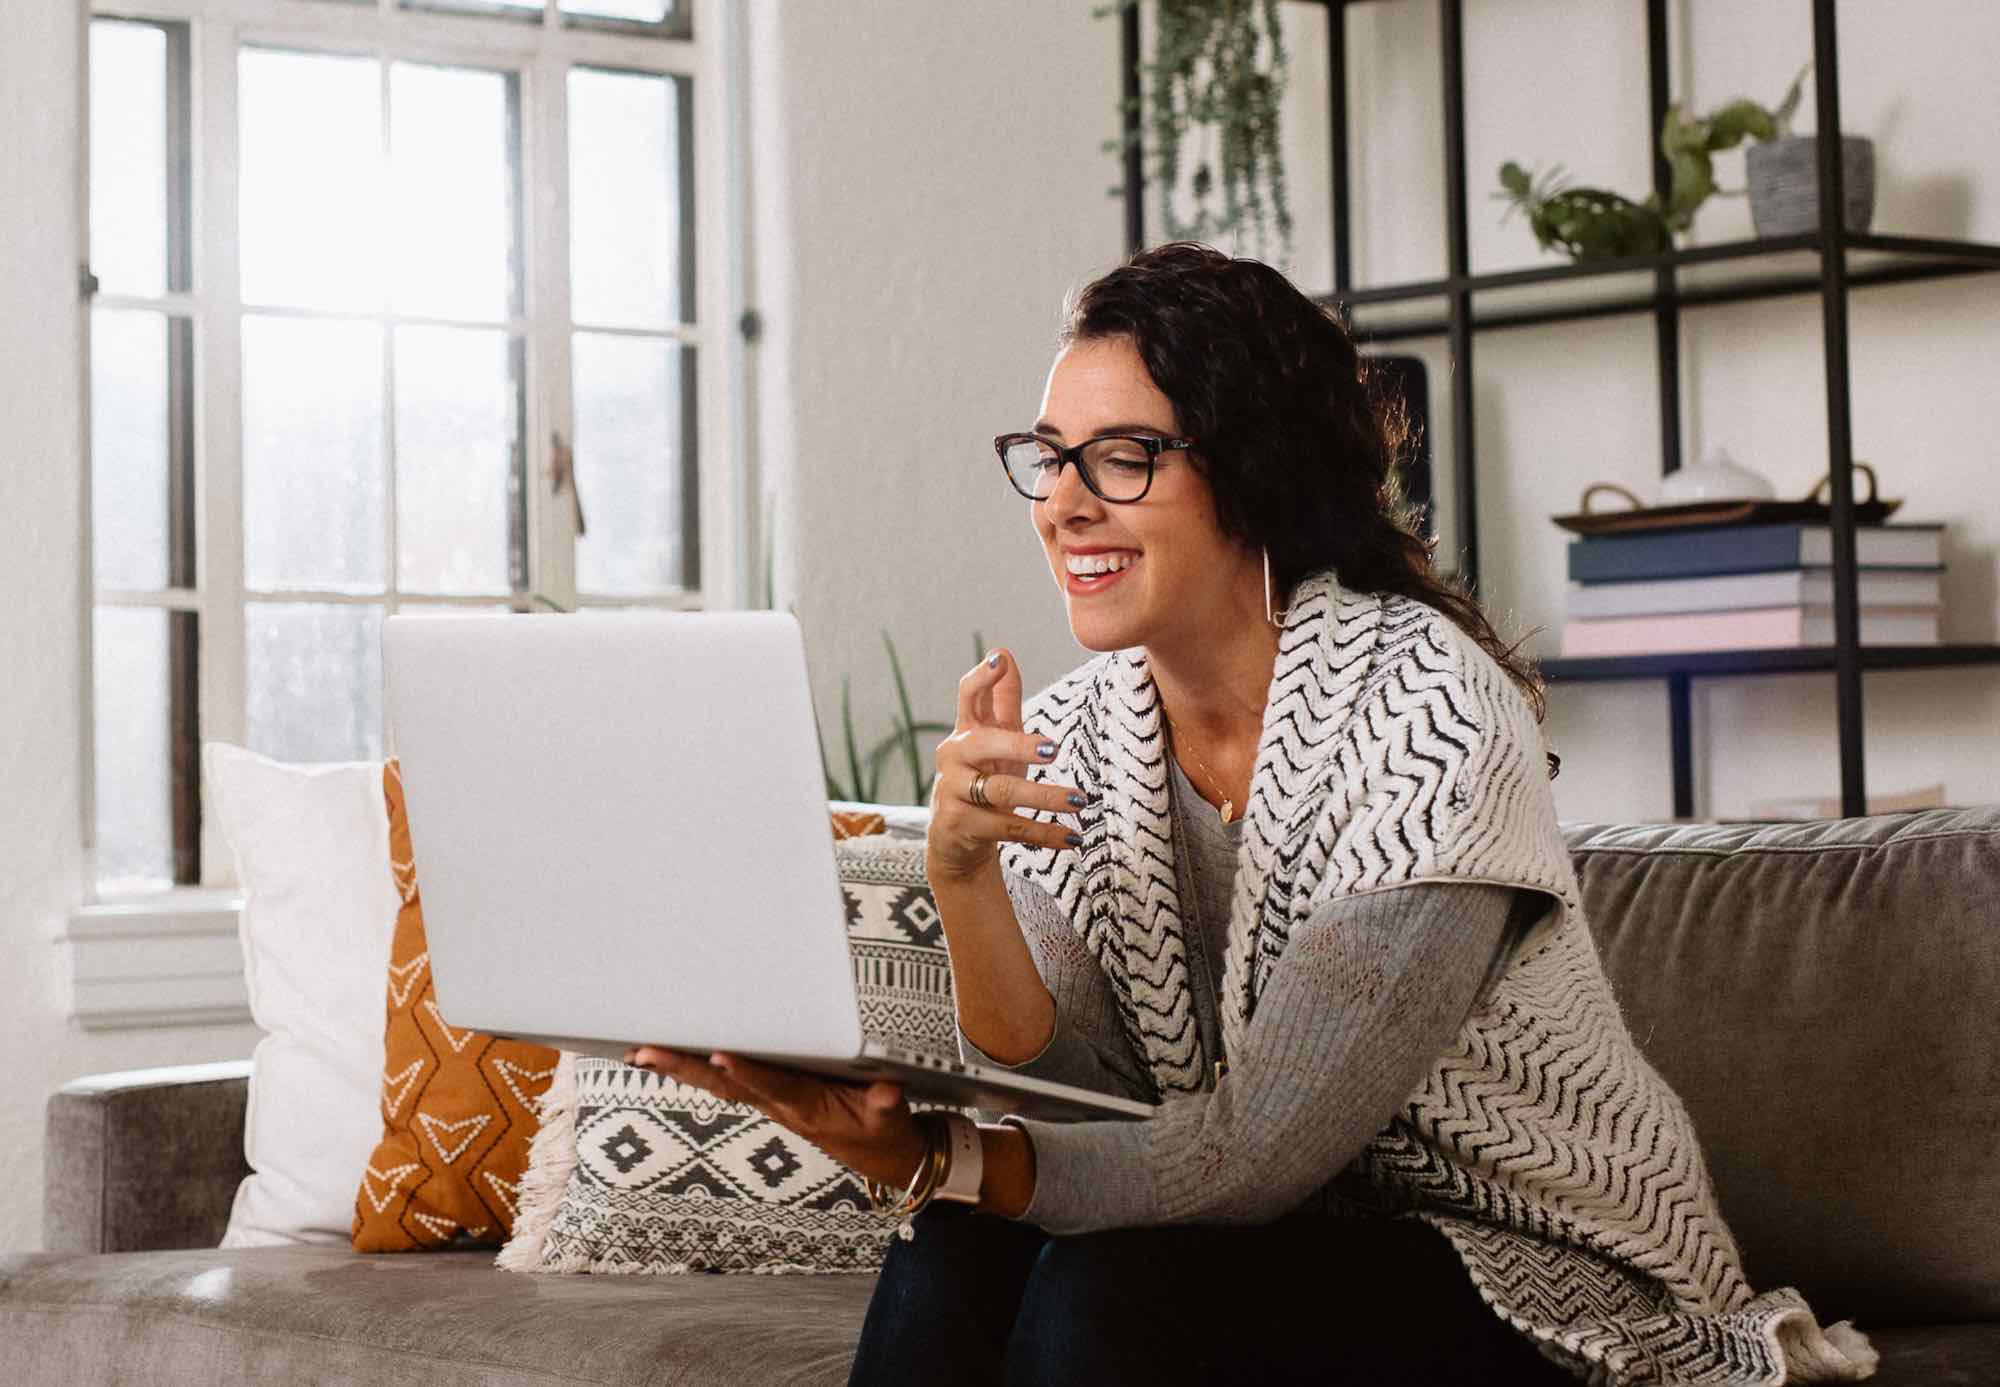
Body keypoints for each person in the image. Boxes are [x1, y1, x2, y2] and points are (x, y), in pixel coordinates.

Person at [628, 243, 1877, 1386]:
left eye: (1122, 457)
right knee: (957, 1254)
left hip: (1532, 1269)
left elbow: (1248, 1154)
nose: (1063, 503)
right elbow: (1085, 1107)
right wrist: (962, 873)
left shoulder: (1429, 713)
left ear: (1255, 471)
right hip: (1267, 1245)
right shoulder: (1075, 734)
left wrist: (935, 1157)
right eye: (1048, 457)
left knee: (1107, 1290)